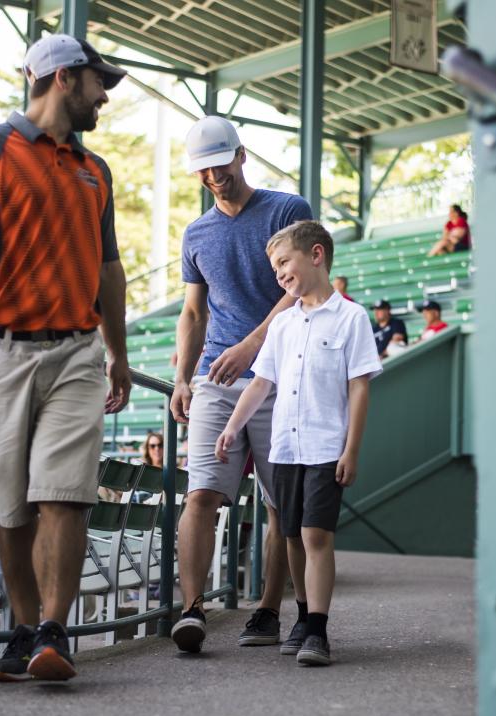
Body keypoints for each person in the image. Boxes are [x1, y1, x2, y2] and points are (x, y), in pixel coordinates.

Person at [0, 33, 131, 683]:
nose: (105, 95)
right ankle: (23, 629)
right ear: (62, 79)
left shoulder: (95, 169)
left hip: (77, 352)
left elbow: (110, 270)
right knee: (13, 511)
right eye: (98, 81)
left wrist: (119, 354)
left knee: (65, 496)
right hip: (4, 354)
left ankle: (54, 629)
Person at [168, 115, 312, 654]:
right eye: (203, 170)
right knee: (201, 493)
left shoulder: (286, 210)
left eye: (221, 164)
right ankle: (191, 610)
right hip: (216, 378)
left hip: (281, 376)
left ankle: (271, 610)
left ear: (242, 155)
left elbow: (299, 289)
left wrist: (254, 344)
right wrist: (182, 377)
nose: (213, 177)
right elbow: (191, 311)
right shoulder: (196, 233)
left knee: (281, 505)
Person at [215, 221, 381, 665]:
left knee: (315, 535)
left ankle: (318, 630)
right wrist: (233, 427)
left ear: (316, 255)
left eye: (284, 262)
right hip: (284, 448)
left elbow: (360, 388)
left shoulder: (352, 318)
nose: (279, 274)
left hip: (327, 447)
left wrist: (351, 449)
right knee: (289, 534)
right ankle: (304, 617)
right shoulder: (283, 325)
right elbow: (260, 383)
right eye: (274, 268)